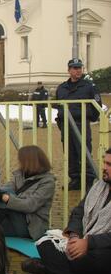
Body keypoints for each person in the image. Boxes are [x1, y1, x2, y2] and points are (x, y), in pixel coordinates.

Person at [22, 147, 111, 274]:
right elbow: (79, 212)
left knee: (84, 261)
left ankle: (50, 268)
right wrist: (74, 236)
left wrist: (88, 243)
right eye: (104, 163)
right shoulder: (98, 187)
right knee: (45, 242)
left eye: (109, 165)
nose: (104, 168)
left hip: (103, 250)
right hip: (84, 239)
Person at [56, 58, 102, 191]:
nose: (78, 70)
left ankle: (88, 180)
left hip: (80, 123)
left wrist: (88, 117)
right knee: (70, 153)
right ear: (69, 70)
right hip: (66, 126)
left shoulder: (89, 86)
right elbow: (58, 104)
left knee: (84, 151)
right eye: (75, 68)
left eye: (80, 68)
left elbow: (96, 105)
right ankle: (76, 178)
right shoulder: (62, 87)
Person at [0, 145, 55, 240]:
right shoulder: (20, 175)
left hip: (31, 226)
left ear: (29, 161)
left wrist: (7, 198)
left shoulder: (47, 182)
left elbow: (30, 205)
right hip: (13, 217)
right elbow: (7, 187)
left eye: (20, 160)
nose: (19, 162)